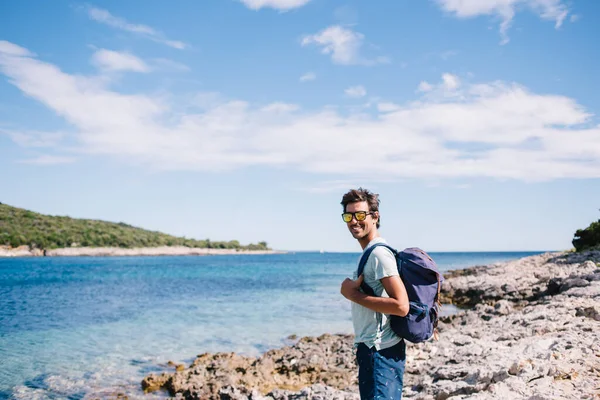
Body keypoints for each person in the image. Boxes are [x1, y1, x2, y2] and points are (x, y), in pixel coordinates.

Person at [339, 188, 410, 400]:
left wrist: (353, 295)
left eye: (360, 215)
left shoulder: (378, 254)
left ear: (375, 216)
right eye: (348, 216)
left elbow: (401, 305)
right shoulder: (371, 251)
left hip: (379, 351)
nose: (354, 221)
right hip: (375, 349)